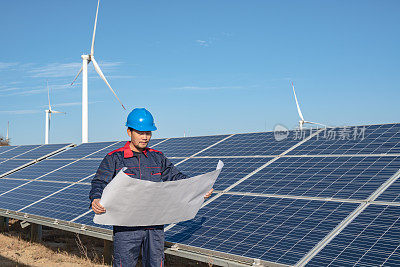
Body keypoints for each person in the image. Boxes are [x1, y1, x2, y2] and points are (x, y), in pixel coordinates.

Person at [89, 108, 213, 267]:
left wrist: (198, 188)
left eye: (148, 133)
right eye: (140, 132)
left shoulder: (157, 157)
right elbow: (99, 181)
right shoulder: (115, 158)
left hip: (154, 225)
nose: (145, 137)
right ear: (129, 132)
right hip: (126, 226)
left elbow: (176, 177)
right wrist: (96, 198)